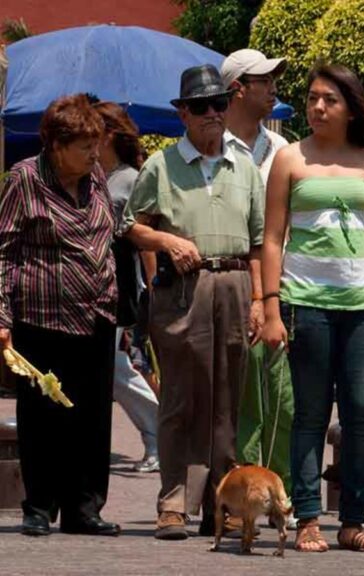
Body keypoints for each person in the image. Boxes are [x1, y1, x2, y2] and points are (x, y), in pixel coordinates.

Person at [260, 63, 364, 553]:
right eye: (312, 98)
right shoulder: (289, 158)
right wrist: (271, 308)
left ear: (350, 107)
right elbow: (272, 238)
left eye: (330, 99)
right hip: (305, 305)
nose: (318, 107)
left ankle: (353, 520)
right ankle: (306, 517)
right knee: (310, 414)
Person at [123, 64, 265, 540]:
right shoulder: (160, 165)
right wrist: (166, 241)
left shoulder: (244, 166)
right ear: (183, 113)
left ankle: (222, 504)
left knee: (228, 401)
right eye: (201, 106)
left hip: (236, 283)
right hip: (184, 288)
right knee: (181, 398)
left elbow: (259, 243)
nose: (212, 114)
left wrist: (261, 301)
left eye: (219, 104)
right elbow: (130, 225)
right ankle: (173, 504)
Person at [0, 94, 120, 537]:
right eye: (85, 146)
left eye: (96, 144)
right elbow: (3, 251)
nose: (94, 154)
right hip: (43, 315)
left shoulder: (96, 177)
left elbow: (106, 234)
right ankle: (39, 506)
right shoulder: (25, 179)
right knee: (43, 415)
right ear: (56, 145)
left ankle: (84, 508)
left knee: (92, 416)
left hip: (97, 313)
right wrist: (2, 317)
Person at [220, 48, 294, 512]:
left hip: (284, 290)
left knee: (283, 400)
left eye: (272, 80)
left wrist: (271, 299)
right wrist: (252, 296)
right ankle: (239, 498)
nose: (272, 88)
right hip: (231, 287)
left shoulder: (284, 149)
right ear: (237, 89)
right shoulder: (214, 148)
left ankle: (279, 493)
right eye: (263, 80)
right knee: (239, 401)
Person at [94, 101, 160, 474]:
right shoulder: (96, 175)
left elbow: (145, 240)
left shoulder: (130, 179)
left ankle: (158, 436)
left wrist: (153, 288)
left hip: (119, 286)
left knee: (118, 370)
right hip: (93, 288)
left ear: (108, 135)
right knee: (115, 369)